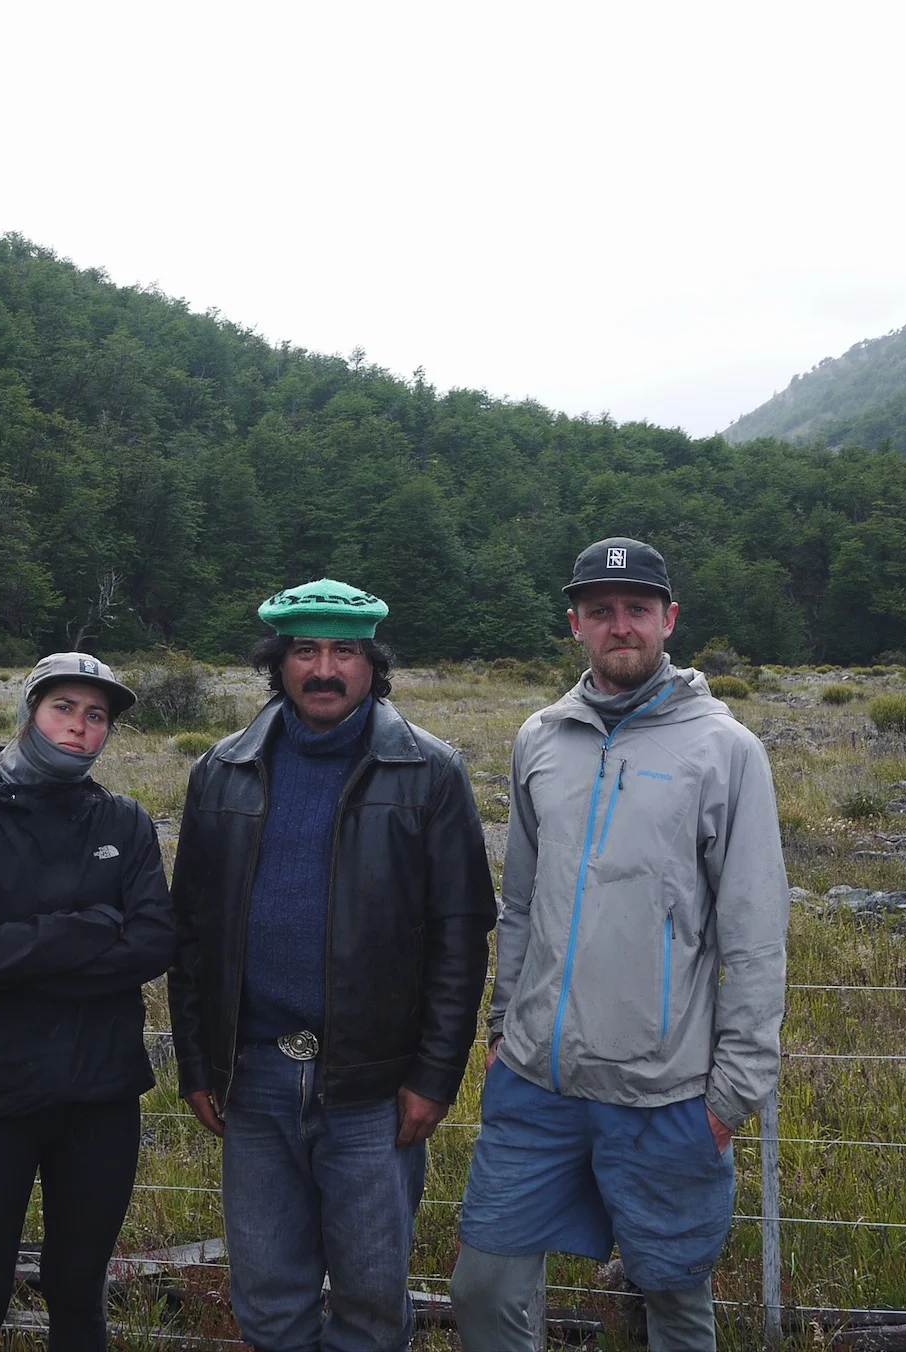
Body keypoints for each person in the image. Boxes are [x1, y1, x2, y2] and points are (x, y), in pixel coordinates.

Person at [451, 538, 789, 1352]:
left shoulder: (726, 749)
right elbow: (522, 903)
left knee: (673, 1302)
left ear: (668, 620)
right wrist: (502, 1031)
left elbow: (753, 933)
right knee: (483, 1287)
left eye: (637, 609)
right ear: (575, 624)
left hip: (666, 1096)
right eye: (600, 611)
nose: (620, 626)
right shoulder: (539, 738)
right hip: (536, 1083)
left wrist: (731, 1094)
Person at [168, 578, 496, 1352]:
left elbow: (461, 934)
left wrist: (433, 1076)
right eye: (305, 651)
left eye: (344, 651)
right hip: (252, 1080)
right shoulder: (222, 771)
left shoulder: (429, 772)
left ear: (371, 666)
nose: (324, 668)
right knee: (268, 1299)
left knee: (371, 1304)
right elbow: (189, 933)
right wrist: (195, 1064)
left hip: (373, 1089)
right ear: (277, 664)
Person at [0, 652, 176, 1352]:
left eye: (96, 716)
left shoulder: (124, 823)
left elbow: (154, 944)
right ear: (30, 713)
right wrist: (97, 928)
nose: (80, 727)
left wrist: (17, 949)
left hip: (99, 1096)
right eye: (64, 707)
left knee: (77, 1293)